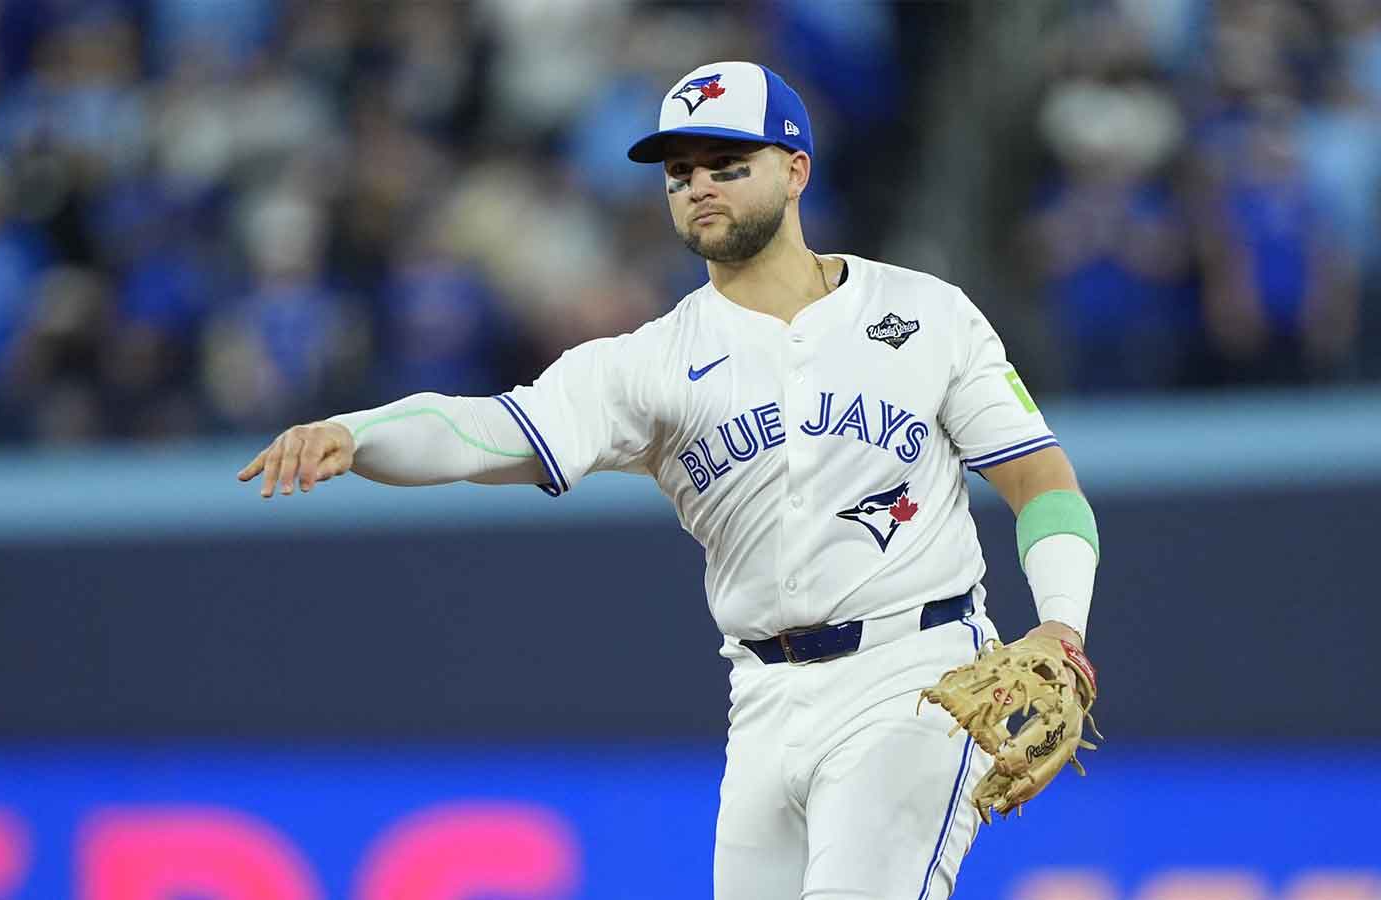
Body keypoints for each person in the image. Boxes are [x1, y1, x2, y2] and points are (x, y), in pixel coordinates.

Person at [238, 62, 1100, 900]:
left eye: (730, 165)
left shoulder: (924, 315)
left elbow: (1043, 483)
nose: (700, 186)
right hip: (763, 696)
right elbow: (490, 429)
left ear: (796, 170)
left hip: (916, 675)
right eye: (680, 172)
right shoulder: (650, 363)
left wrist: (1061, 627)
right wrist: (356, 432)